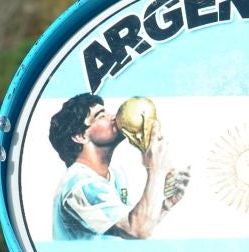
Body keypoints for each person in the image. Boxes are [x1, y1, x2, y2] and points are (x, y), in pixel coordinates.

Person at [48, 92, 188, 239]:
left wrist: (165, 206)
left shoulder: (116, 176)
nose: (114, 117)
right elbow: (137, 230)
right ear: (80, 136)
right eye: (101, 116)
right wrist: (156, 170)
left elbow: (134, 225)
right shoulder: (81, 185)